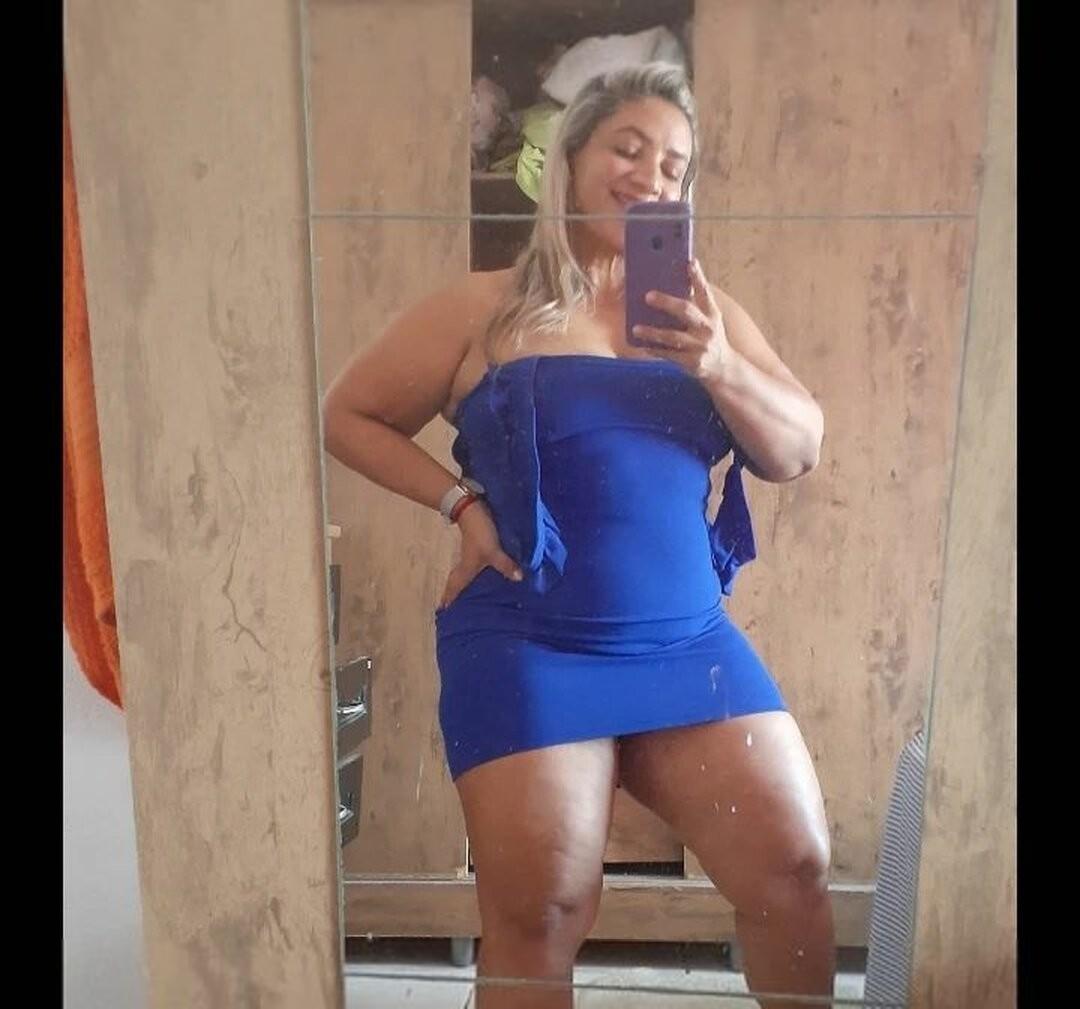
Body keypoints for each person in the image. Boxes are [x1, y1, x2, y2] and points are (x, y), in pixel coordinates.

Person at [323, 62, 831, 1009]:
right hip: (528, 640)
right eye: (627, 149)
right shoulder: (482, 308)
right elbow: (349, 414)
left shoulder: (705, 315)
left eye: (673, 165)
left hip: (686, 639)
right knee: (543, 909)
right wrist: (460, 506)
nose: (650, 176)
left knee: (794, 868)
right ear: (570, 162)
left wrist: (719, 362)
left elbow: (799, 447)